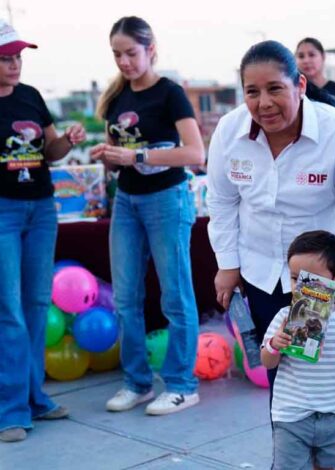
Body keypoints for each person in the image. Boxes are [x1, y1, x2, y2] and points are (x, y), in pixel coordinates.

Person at [206, 40, 335, 469]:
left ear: (300, 83)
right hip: (261, 273)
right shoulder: (229, 131)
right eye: (251, 91)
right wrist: (227, 265)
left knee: (333, 380)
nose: (264, 104)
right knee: (285, 384)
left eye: (275, 89)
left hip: (314, 279)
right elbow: (222, 202)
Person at [89, 16, 205, 416]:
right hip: (126, 201)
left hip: (166, 200)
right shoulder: (116, 98)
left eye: (131, 53)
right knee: (125, 298)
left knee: (175, 295)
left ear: (151, 49)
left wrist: (136, 155)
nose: (124, 62)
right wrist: (104, 157)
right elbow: (116, 153)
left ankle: (181, 384)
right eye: (117, 55)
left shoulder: (169, 93)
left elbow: (195, 153)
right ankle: (137, 382)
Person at [0, 20, 87, 443]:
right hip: (3, 213)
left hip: (40, 208)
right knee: (8, 310)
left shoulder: (31, 96)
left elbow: (48, 150)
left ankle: (34, 397)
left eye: (18, 56)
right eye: (5, 57)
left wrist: (67, 141)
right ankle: (10, 410)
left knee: (35, 304)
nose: (14, 64)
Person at [262, 230, 335, 470]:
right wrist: (274, 345)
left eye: (310, 278)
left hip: (331, 413)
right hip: (291, 415)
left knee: (328, 467)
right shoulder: (284, 317)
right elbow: (268, 362)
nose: (301, 286)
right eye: (294, 278)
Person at [296, 38, 335, 126]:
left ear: (323, 57)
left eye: (311, 55)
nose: (306, 60)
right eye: (301, 56)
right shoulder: (295, 93)